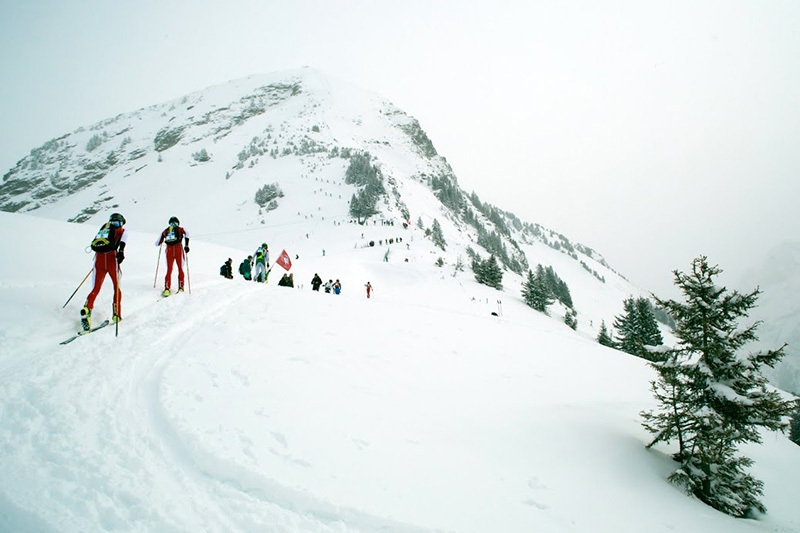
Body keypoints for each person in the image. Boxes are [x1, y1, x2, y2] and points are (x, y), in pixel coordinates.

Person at [81, 212, 127, 330]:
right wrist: (121, 252)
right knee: (116, 287)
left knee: (96, 288)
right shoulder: (122, 231)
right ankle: (116, 314)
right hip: (112, 259)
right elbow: (122, 243)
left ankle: (87, 308)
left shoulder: (104, 228)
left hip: (99, 260)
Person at [155, 216, 190, 296]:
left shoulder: (166, 230)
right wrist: (187, 245)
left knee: (169, 270)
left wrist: (160, 242)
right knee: (180, 268)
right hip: (178, 249)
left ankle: (167, 289)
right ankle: (181, 287)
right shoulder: (180, 229)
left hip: (169, 250)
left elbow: (157, 243)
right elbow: (187, 234)